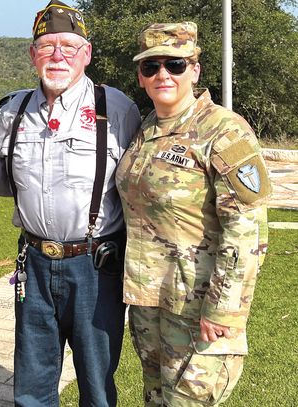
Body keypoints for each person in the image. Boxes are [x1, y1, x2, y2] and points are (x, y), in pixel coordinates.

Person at [0, 1, 141, 405]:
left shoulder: (117, 108)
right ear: (32, 54)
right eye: (47, 45)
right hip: (33, 263)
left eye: (69, 46)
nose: (57, 55)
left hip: (95, 267)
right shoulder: (12, 112)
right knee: (32, 386)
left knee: (97, 385)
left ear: (86, 54)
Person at [116, 22, 271, 406]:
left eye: (175, 64)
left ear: (196, 69)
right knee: (156, 399)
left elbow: (247, 229)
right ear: (141, 76)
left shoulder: (223, 130)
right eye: (151, 67)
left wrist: (223, 310)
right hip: (151, 302)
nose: (162, 74)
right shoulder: (147, 128)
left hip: (199, 306)